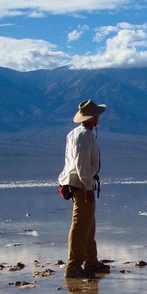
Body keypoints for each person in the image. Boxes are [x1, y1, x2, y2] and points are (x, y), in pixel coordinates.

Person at [59, 99, 109, 279]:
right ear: (93, 117)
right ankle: (73, 266)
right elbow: (81, 165)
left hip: (76, 183)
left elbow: (69, 161)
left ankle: (91, 261)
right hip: (81, 185)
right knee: (80, 226)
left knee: (88, 225)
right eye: (97, 115)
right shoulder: (84, 136)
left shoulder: (76, 134)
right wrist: (88, 188)